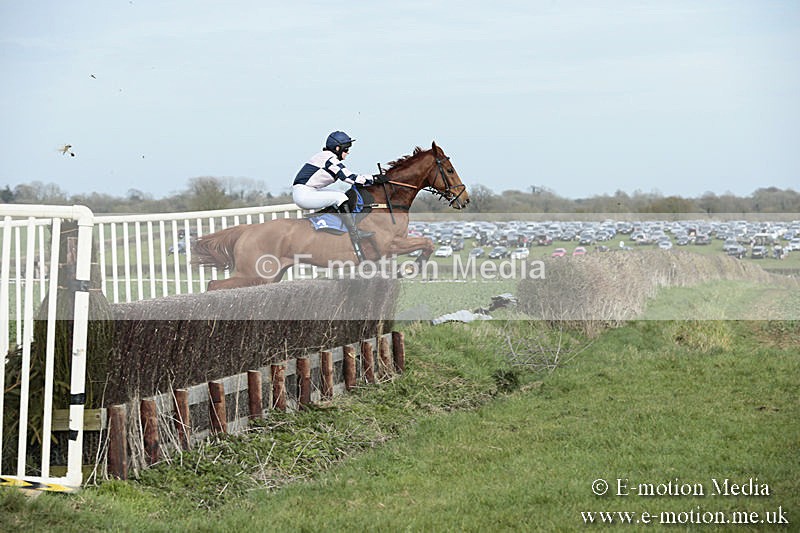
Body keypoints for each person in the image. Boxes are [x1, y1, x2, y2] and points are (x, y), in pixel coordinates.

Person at [292, 131, 383, 260]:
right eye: (346, 149)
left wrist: (371, 178)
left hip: (308, 191)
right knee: (341, 198)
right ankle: (354, 233)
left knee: (340, 196)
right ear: (337, 148)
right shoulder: (330, 159)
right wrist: (373, 179)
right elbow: (349, 177)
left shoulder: (326, 156)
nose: (348, 152)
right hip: (304, 194)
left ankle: (334, 225)